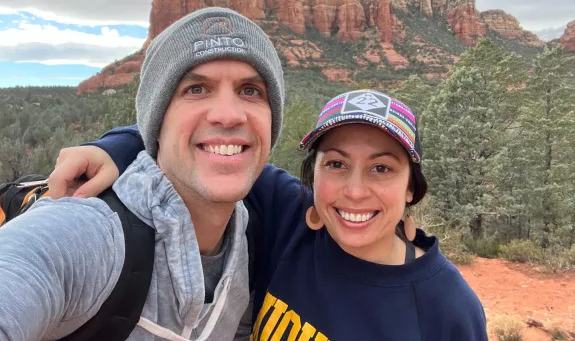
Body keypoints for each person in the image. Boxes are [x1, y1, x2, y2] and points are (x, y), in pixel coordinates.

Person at [0, 6, 285, 341]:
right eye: (196, 89)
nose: (229, 114)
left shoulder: (254, 240)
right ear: (156, 123)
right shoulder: (87, 232)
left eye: (250, 90)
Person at [53, 89, 488, 340]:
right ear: (312, 176)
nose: (356, 191)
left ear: (410, 187)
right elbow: (195, 145)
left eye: (382, 168)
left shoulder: (446, 309)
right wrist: (116, 148)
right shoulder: (287, 214)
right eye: (335, 164)